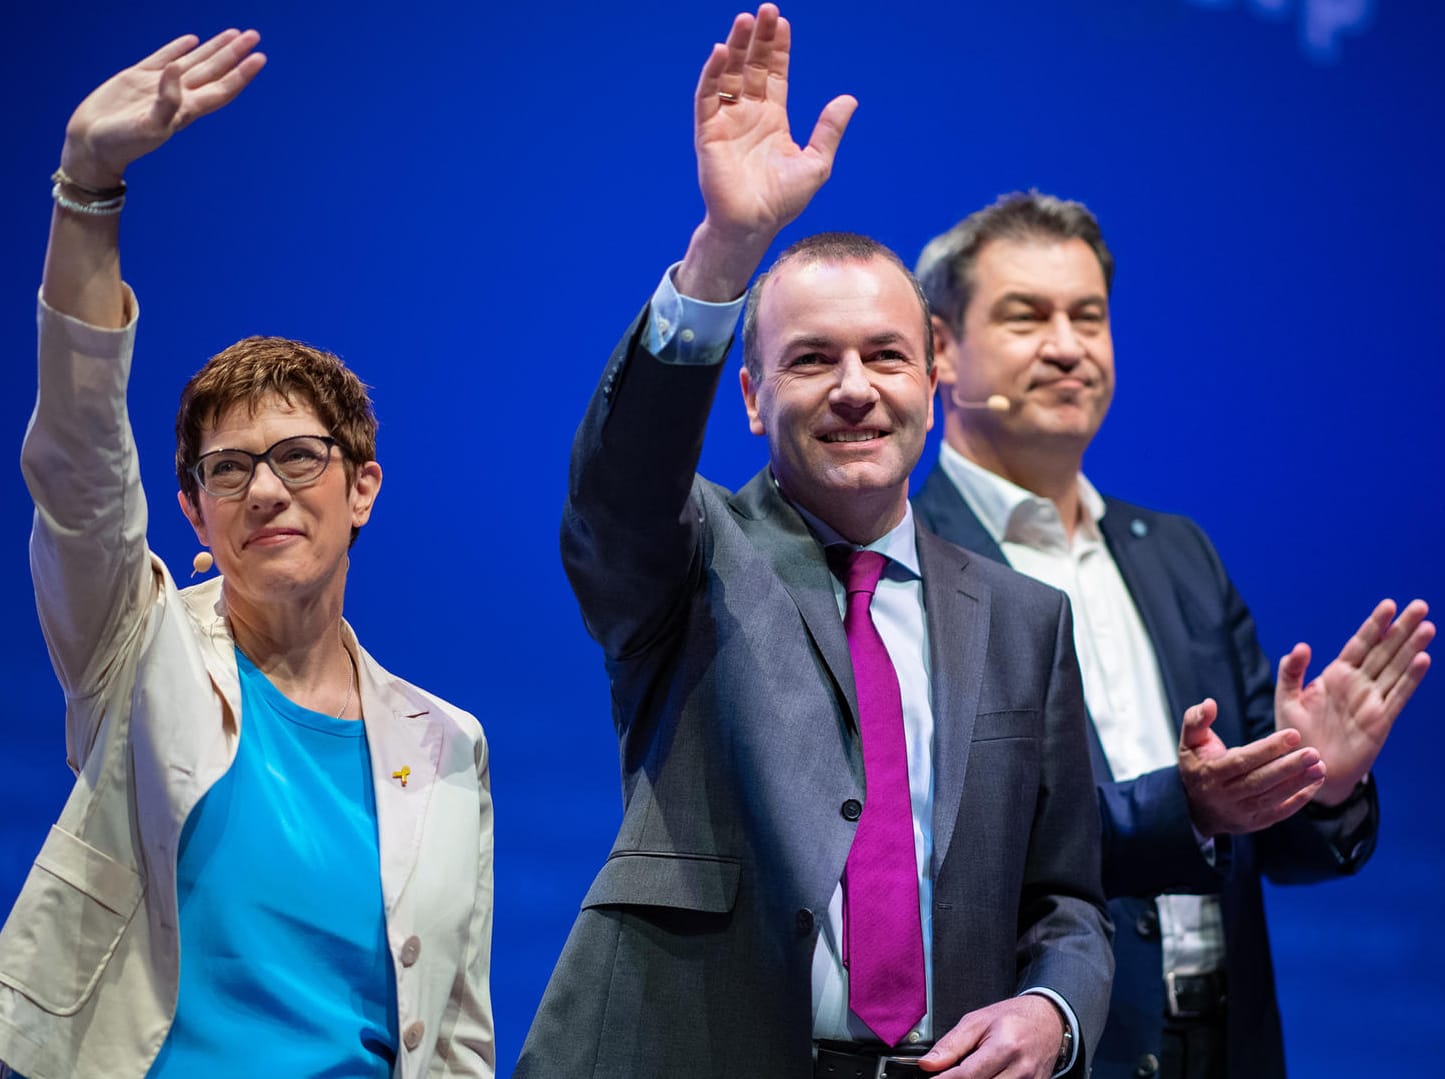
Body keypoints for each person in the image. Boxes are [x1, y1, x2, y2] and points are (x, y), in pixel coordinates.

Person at [514, 8, 1113, 1078]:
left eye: (884, 355)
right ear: (749, 394)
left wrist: (1054, 1011)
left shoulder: (1027, 623)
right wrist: (725, 250)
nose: (852, 389)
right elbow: (617, 493)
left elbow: (1065, 899)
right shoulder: (691, 559)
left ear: (934, 375)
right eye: (810, 361)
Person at [0, 32, 494, 1079]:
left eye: (299, 457)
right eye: (229, 469)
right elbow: (82, 472)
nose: (264, 487)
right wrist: (87, 188)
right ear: (192, 507)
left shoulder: (451, 743)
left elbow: (452, 1034)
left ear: (362, 486)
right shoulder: (136, 653)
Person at [910, 191, 1436, 1079]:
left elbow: (1273, 847)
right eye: (1026, 316)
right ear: (938, 350)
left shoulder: (1180, 555)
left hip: (1225, 1044)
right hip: (1042, 1053)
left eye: (1089, 316)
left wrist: (1317, 785)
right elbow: (964, 836)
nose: (1069, 346)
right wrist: (1186, 807)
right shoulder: (908, 566)